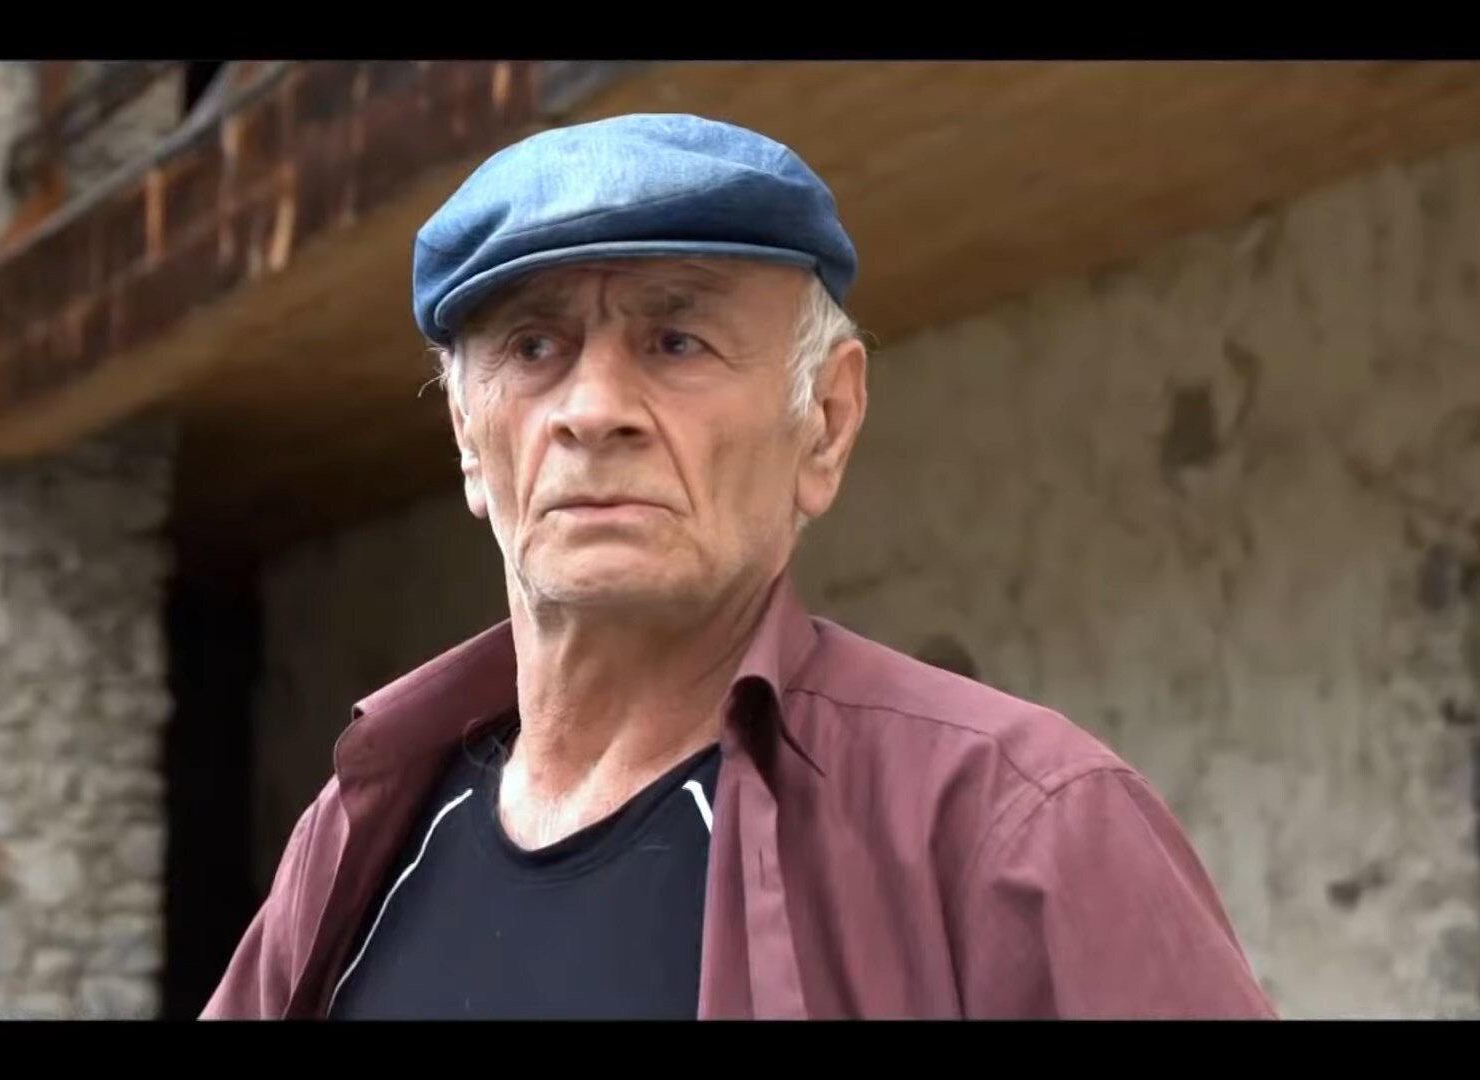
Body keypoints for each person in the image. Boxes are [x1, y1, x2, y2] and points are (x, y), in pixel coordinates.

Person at [200, 112, 1277, 1020]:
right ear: (469, 445)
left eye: (677, 343)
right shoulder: (359, 834)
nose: (593, 411)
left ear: (827, 421)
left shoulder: (1018, 830)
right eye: (534, 348)